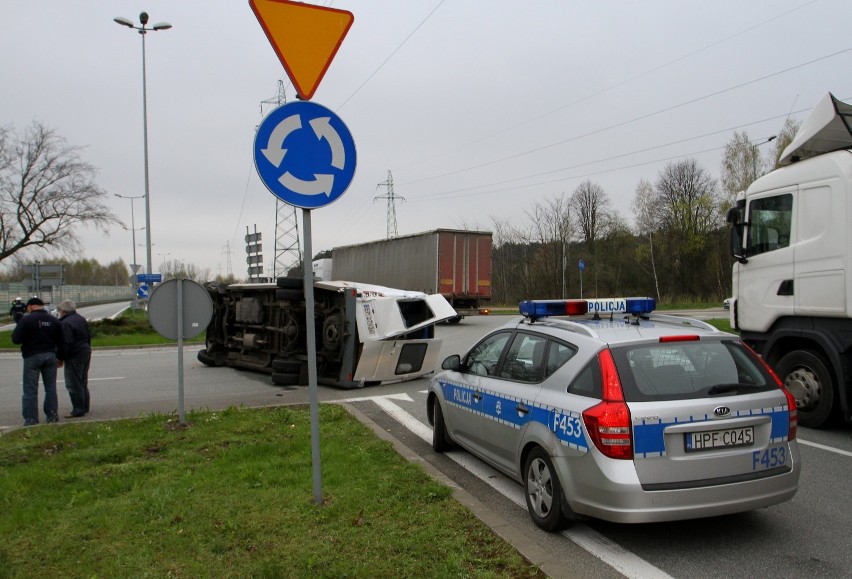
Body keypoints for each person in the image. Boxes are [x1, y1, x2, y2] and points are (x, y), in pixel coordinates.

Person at [11, 297, 66, 426]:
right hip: (50, 356)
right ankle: (52, 415)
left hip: (32, 356)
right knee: (51, 388)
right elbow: (62, 341)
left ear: (30, 306)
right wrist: (61, 357)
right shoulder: (54, 320)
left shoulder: (26, 320)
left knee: (30, 389)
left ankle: (31, 418)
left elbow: (16, 339)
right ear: (42, 306)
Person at [57, 300, 91, 418]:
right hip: (85, 351)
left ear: (63, 311)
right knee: (82, 381)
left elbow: (65, 343)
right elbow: (88, 336)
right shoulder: (80, 319)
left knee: (73, 383)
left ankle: (78, 409)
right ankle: (85, 406)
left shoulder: (65, 323)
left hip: (74, 355)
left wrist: (60, 357)